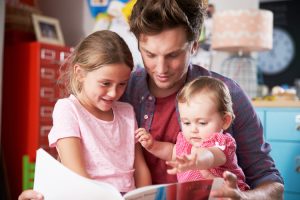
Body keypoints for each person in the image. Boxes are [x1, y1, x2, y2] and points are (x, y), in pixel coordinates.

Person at [19, 0, 284, 199]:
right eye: (149, 54)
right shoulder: (122, 90)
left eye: (173, 55)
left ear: (193, 45)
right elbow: (81, 157)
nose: (160, 68)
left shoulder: (227, 93)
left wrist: (244, 197)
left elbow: (272, 183)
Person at [18, 30, 151, 200]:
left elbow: (140, 168)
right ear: (80, 74)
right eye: (105, 83)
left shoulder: (126, 112)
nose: (113, 93)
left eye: (122, 84)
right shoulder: (68, 109)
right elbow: (77, 175)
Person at [136, 76, 249, 191]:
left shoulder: (221, 143)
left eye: (202, 123)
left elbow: (211, 155)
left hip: (228, 195)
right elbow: (171, 152)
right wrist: (153, 145)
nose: (193, 129)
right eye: (186, 123)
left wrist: (196, 160)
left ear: (225, 121)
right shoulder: (185, 142)